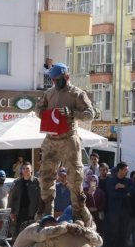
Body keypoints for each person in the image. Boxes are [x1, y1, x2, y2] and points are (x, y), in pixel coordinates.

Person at [35, 62, 95, 226]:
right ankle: (47, 212)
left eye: (59, 80)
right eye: (53, 80)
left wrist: (72, 114)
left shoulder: (77, 94)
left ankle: (77, 213)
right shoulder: (49, 93)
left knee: (75, 178)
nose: (56, 82)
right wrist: (44, 113)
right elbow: (38, 109)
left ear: (66, 77)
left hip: (69, 139)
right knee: (45, 176)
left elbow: (90, 114)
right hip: (51, 139)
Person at [104, 162, 131, 247]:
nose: (127, 171)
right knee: (112, 234)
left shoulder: (127, 181)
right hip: (114, 212)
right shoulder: (111, 181)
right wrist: (125, 194)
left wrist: (123, 186)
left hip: (125, 212)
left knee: (123, 235)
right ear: (120, 170)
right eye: (125, 169)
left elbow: (133, 191)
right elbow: (112, 194)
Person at [9, 163, 41, 238]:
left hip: (32, 212)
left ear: (31, 170)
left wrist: (40, 211)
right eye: (24, 169)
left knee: (31, 233)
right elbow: (11, 197)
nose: (26, 170)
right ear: (21, 171)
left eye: (27, 168)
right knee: (17, 233)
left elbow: (40, 198)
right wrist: (11, 211)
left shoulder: (36, 182)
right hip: (19, 212)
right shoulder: (17, 182)